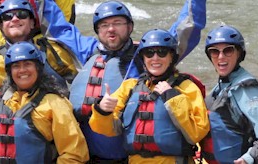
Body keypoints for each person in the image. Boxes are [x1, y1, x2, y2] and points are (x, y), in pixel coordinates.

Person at [20, 0, 209, 161]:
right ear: (97, 30)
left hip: (126, 155)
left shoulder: (148, 55)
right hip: (87, 152)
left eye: (117, 23)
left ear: (129, 27)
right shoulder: (88, 49)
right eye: (104, 25)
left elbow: (184, 31)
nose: (111, 30)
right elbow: (59, 27)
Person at [90, 29, 210, 163]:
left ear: (172, 57)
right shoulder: (130, 87)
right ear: (143, 58)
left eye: (162, 52)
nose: (155, 58)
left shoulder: (187, 88)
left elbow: (197, 134)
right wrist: (102, 111)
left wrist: (172, 98)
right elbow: (106, 130)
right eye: (149, 53)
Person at [0, 42, 88, 163]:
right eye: (16, 66)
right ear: (10, 72)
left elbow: (74, 154)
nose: (22, 70)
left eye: (27, 64)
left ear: (38, 68)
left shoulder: (54, 103)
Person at [200, 25, 258, 164]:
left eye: (228, 50)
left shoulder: (249, 90)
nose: (221, 57)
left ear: (239, 53)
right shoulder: (219, 88)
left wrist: (248, 159)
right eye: (214, 51)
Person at [0, 0, 75, 111]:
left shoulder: (54, 52)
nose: (14, 19)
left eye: (22, 14)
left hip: (55, 117)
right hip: (15, 123)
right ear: (1, 26)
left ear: (32, 23)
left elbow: (77, 82)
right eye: (7, 17)